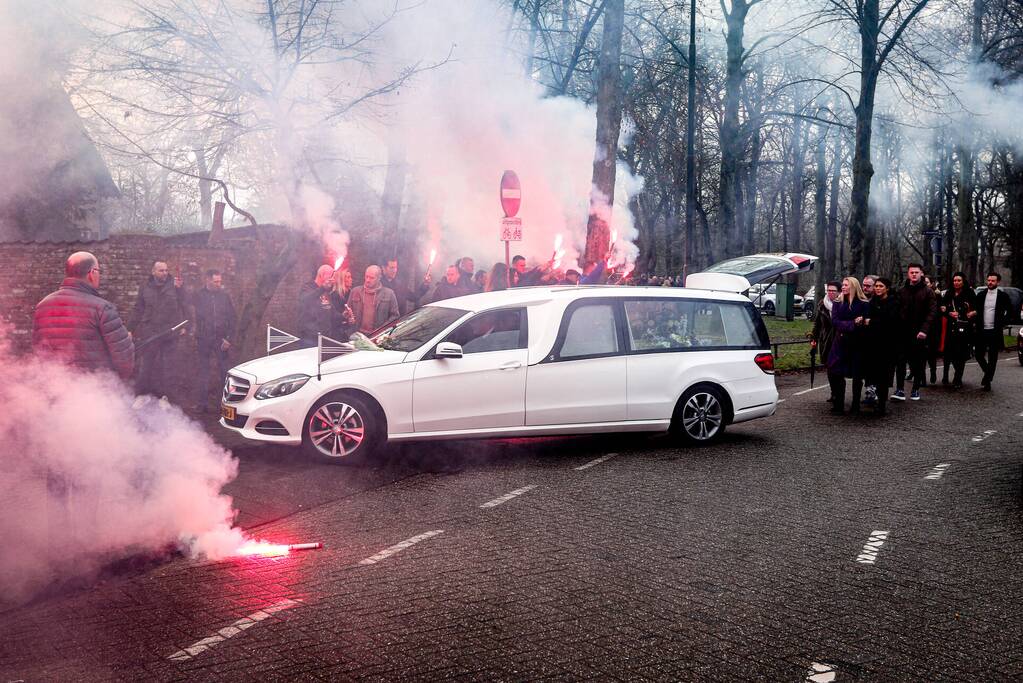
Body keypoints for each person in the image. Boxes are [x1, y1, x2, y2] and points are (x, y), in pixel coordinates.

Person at [33, 251, 134, 379]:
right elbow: (123, 357)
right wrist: (115, 382)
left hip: (54, 385)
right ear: (92, 273)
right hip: (92, 388)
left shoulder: (42, 306)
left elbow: (38, 349)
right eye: (98, 271)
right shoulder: (103, 308)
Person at [129, 260, 188, 399]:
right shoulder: (145, 287)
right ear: (153, 271)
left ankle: (167, 398)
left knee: (168, 367)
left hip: (170, 332)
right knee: (146, 366)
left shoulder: (176, 285)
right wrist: (130, 328)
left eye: (166, 270)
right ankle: (141, 396)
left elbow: (185, 305)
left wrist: (180, 289)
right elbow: (138, 309)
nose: (165, 273)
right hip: (150, 332)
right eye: (161, 270)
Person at [191, 269, 236, 413]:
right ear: (208, 280)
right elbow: (184, 302)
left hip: (221, 340)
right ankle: (202, 404)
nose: (219, 284)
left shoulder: (224, 296)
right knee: (203, 371)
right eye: (216, 281)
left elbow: (232, 318)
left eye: (220, 281)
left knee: (224, 372)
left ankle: (224, 403)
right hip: (203, 339)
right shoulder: (199, 295)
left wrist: (229, 339)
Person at [893, 263, 937, 402]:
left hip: (919, 332)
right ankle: (900, 389)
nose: (913, 274)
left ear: (921, 274)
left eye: (916, 272)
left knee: (917, 362)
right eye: (911, 272)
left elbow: (932, 313)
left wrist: (924, 330)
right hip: (902, 332)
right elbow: (896, 310)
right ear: (908, 274)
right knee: (900, 362)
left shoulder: (928, 292)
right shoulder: (902, 291)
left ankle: (915, 389)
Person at [827, 277, 870, 414]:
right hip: (840, 342)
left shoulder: (863, 303)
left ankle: (855, 405)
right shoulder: (838, 303)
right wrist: (852, 323)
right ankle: (838, 404)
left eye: (846, 285)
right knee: (836, 372)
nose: (843, 287)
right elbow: (835, 321)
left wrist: (862, 321)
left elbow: (866, 321)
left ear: (853, 286)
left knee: (857, 375)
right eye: (843, 285)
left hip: (858, 343)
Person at [864, 278, 899, 415]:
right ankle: (875, 397)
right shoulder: (872, 302)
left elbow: (889, 321)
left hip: (887, 345)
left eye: (881, 286)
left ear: (887, 288)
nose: (878, 288)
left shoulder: (893, 303)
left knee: (883, 376)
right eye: (876, 286)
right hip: (873, 344)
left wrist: (871, 322)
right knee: (873, 374)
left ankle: (882, 404)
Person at [974, 270, 1012, 391]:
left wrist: (1003, 322)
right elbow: (976, 311)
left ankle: (987, 381)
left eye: (993, 281)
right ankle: (988, 374)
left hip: (994, 331)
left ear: (998, 282)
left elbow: (1009, 312)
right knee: (978, 355)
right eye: (989, 280)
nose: (990, 282)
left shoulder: (1003, 296)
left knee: (993, 357)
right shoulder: (981, 295)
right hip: (981, 330)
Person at [939, 272, 976, 389]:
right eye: (955, 280)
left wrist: (962, 314)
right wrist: (948, 312)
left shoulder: (969, 293)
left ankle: (958, 378)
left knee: (961, 354)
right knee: (949, 353)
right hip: (951, 327)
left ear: (963, 281)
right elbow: (942, 307)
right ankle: (947, 376)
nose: (956, 282)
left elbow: (975, 309)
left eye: (959, 280)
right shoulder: (949, 293)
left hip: (964, 327)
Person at [809, 281, 840, 403]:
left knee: (838, 369)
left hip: (840, 340)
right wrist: (813, 338)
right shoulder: (822, 304)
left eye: (834, 291)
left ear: (839, 292)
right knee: (830, 368)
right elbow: (817, 323)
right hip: (826, 341)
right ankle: (834, 393)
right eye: (829, 290)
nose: (831, 293)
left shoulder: (843, 303)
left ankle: (839, 394)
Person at [349, 265, 401, 335]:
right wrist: (349, 318)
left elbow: (395, 316)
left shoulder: (389, 294)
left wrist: (382, 330)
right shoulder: (355, 291)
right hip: (357, 335)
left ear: (379, 278)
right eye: (366, 276)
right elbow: (348, 312)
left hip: (377, 336)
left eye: (371, 278)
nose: (367, 280)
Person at [298, 264, 335, 347]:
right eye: (330, 276)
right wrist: (322, 288)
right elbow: (305, 300)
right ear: (322, 275)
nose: (332, 279)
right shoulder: (307, 287)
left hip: (324, 338)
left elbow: (331, 311)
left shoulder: (326, 291)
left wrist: (344, 316)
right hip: (310, 338)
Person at [329, 268, 355, 339]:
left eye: (351, 277)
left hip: (351, 330)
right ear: (342, 280)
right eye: (348, 277)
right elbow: (333, 316)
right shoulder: (334, 295)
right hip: (339, 331)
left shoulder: (352, 293)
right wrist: (344, 317)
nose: (351, 279)